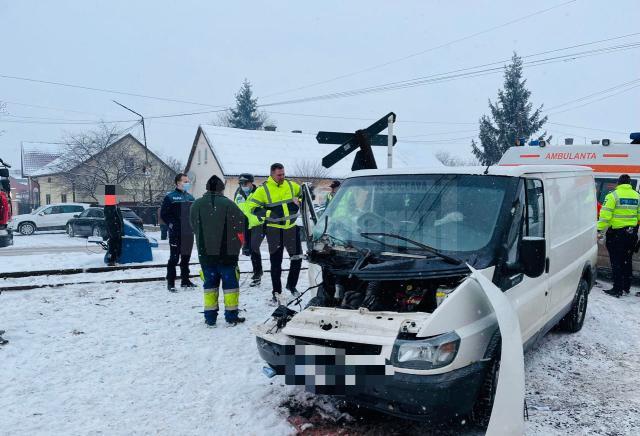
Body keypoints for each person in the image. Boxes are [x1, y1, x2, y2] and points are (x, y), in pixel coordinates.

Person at [190, 175, 246, 326]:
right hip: (227, 255)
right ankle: (231, 316)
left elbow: (194, 227)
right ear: (221, 189)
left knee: (209, 287)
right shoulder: (229, 204)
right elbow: (242, 224)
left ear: (207, 188)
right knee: (230, 287)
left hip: (206, 255)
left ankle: (210, 318)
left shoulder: (196, 205)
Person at [248, 163, 303, 304]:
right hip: (274, 231)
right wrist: (269, 213)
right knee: (276, 264)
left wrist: (299, 201)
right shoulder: (263, 190)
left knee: (297, 259)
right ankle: (276, 292)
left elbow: (306, 195)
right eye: (279, 175)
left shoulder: (291, 185)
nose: (282, 177)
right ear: (272, 174)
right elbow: (252, 208)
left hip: (291, 229)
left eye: (283, 174)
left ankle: (292, 286)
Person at [597, 174, 640, 297]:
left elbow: (605, 216)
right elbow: (639, 216)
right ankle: (626, 286)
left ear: (618, 183)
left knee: (616, 261)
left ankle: (617, 289)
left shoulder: (612, 195)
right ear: (629, 183)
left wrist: (599, 229)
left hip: (617, 234)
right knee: (627, 261)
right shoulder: (637, 196)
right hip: (631, 234)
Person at [161, 173, 196, 292]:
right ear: (177, 183)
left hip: (188, 233)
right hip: (176, 233)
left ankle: (185, 280)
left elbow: (194, 214)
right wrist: (172, 225)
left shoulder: (191, 197)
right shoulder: (170, 197)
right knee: (174, 258)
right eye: (185, 181)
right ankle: (171, 282)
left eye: (188, 181)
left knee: (186, 258)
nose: (187, 183)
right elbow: (164, 214)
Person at [234, 173, 265, 287]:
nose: (243, 185)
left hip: (258, 224)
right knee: (247, 248)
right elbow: (236, 207)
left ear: (251, 182)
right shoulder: (238, 193)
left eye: (245, 183)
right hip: (244, 224)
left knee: (254, 247)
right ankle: (253, 271)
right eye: (241, 183)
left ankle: (257, 273)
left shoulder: (259, 192)